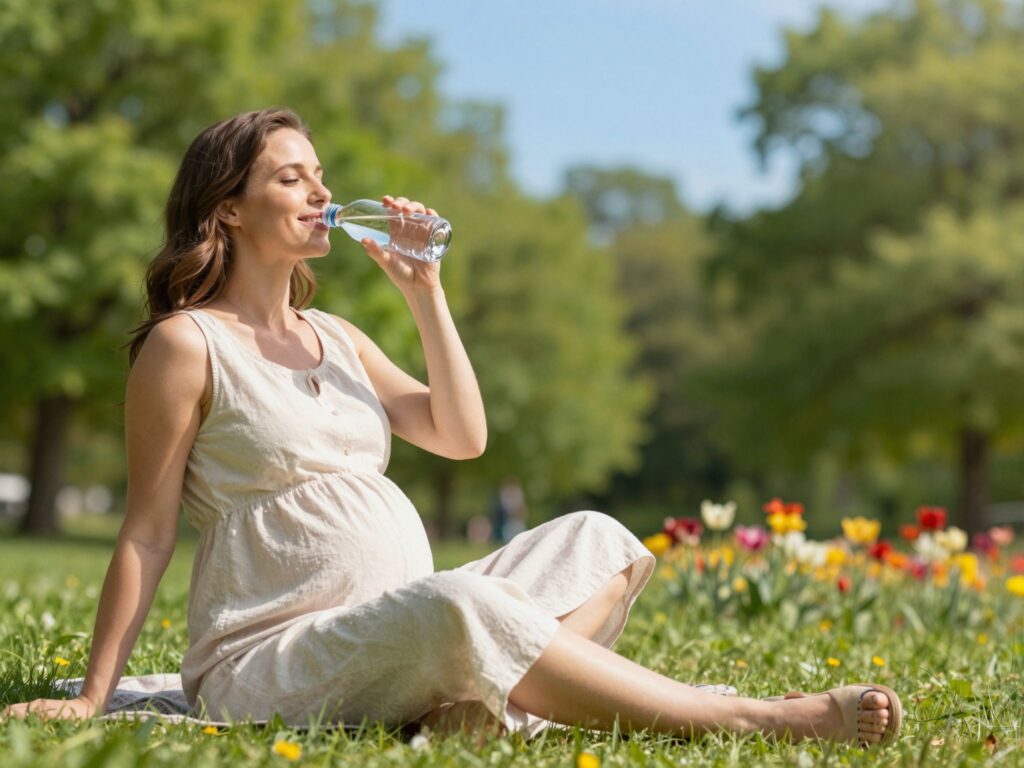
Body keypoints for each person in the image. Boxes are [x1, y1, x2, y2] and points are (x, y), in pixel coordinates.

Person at [1, 108, 901, 746]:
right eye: (291, 177)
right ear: (229, 208)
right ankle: (754, 716)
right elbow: (147, 532)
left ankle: (461, 710)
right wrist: (92, 695)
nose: (320, 193)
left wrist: (425, 295)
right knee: (457, 605)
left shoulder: (340, 338)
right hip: (272, 656)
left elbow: (460, 436)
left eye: (321, 176)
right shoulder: (185, 346)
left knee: (601, 538)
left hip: (396, 627)